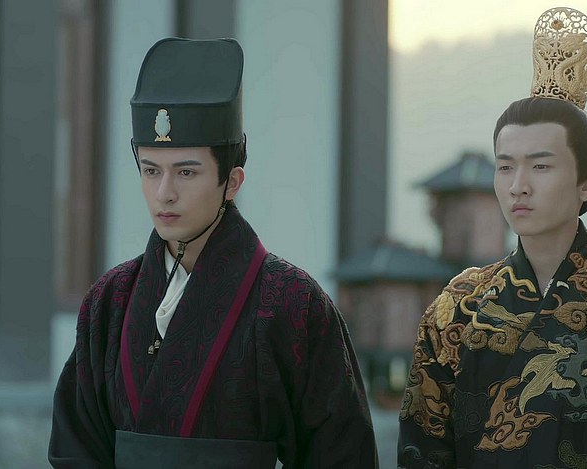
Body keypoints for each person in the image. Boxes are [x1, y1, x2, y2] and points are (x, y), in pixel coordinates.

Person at [398, 7, 587, 469]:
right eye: (505, 166)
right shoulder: (458, 308)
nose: (518, 185)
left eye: (541, 166)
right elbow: (421, 453)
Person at [49, 37, 378, 469]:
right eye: (151, 170)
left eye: (186, 172)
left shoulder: (293, 303)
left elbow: (342, 454)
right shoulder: (109, 301)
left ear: (232, 181)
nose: (164, 193)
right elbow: (75, 449)